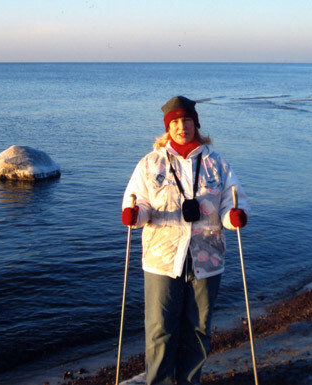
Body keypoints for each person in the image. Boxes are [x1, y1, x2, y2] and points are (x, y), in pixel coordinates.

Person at [121, 96, 249, 385]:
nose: (182, 127)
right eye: (176, 122)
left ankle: (190, 381)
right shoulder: (150, 163)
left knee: (198, 329)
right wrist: (133, 214)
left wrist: (235, 216)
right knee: (160, 329)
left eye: (187, 121)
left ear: (196, 124)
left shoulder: (216, 163)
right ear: (168, 128)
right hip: (162, 259)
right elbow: (138, 202)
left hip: (208, 256)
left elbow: (232, 201)